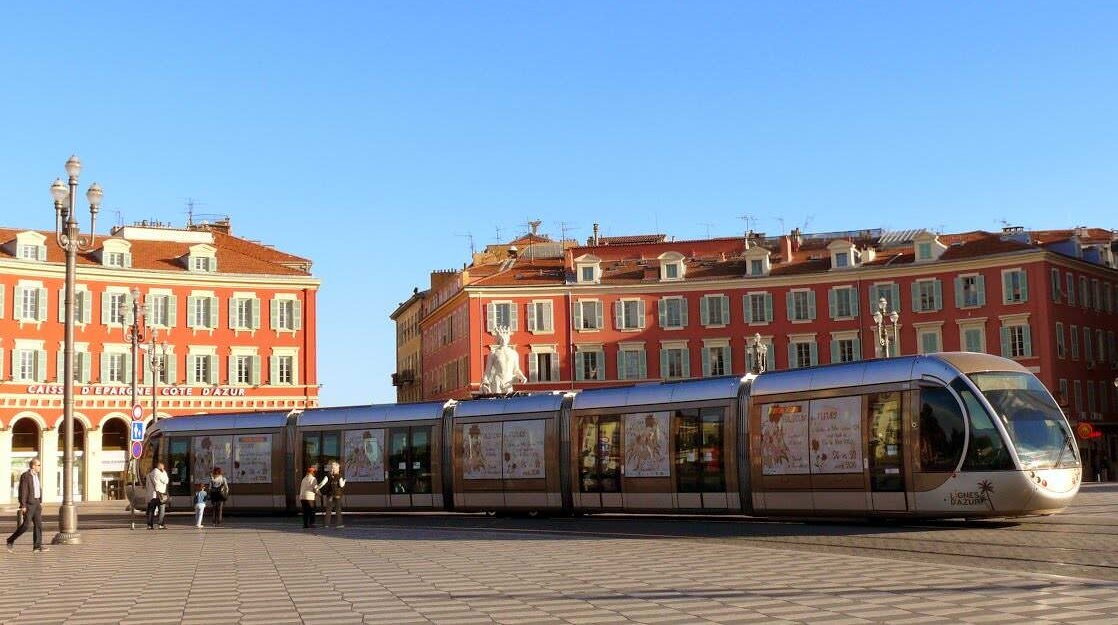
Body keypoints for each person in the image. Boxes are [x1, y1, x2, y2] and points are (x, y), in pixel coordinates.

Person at [6, 458, 48, 553]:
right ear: (33, 466)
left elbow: (37, 488)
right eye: (38, 465)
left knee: (38, 525)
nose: (40, 467)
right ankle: (10, 540)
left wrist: (39, 501)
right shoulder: (26, 476)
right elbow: (23, 491)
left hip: (37, 503)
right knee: (26, 525)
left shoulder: (36, 476)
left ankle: (37, 547)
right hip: (29, 504)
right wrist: (23, 505)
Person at [318, 461, 346, 528]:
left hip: (330, 495)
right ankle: (339, 524)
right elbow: (341, 485)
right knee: (338, 510)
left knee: (328, 510)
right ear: (337, 468)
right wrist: (344, 481)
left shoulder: (328, 475)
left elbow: (322, 483)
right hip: (337, 495)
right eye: (338, 468)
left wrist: (317, 487)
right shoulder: (339, 476)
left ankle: (326, 524)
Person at [146, 462, 169, 529]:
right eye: (163, 467)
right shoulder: (160, 473)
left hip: (151, 496)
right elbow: (166, 481)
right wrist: (164, 472)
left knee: (151, 511)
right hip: (160, 495)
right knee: (161, 510)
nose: (163, 468)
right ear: (160, 467)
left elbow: (147, 486)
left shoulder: (149, 475)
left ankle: (149, 525)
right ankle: (160, 524)